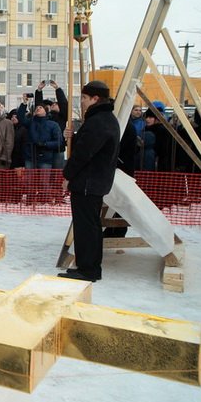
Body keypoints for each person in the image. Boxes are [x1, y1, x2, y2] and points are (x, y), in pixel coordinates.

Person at [59, 81, 120, 282]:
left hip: (88, 182)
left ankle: (88, 269)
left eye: (85, 98)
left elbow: (83, 154)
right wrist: (75, 137)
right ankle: (89, 266)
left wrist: (67, 175)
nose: (82, 102)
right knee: (90, 226)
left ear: (95, 98)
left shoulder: (98, 122)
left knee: (86, 228)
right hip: (94, 181)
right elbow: (91, 145)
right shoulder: (105, 119)